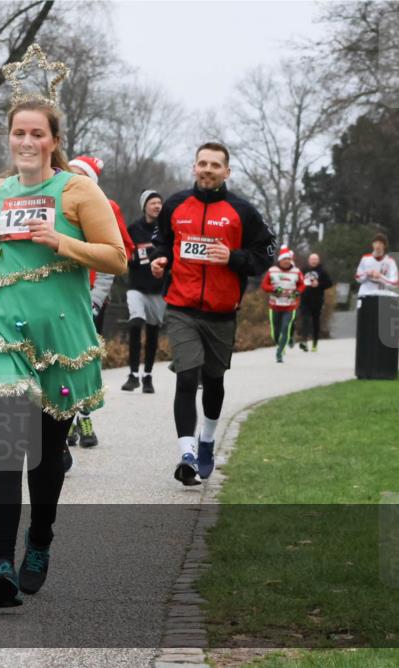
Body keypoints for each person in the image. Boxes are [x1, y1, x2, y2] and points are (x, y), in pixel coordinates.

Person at [0, 99, 127, 607]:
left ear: (54, 140)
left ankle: (41, 537)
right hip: (0, 329)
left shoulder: (78, 190)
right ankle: (3, 565)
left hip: (58, 337)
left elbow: (117, 258)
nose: (26, 142)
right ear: (8, 138)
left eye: (37, 134)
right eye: (18, 133)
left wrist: (61, 242)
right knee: (8, 445)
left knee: (45, 453)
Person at [150, 142, 275, 486]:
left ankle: (207, 439)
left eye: (215, 165)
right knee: (187, 376)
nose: (207, 169)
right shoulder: (175, 205)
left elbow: (266, 254)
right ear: (194, 167)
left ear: (226, 171)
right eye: (202, 163)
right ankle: (187, 454)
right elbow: (162, 243)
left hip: (221, 312)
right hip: (181, 307)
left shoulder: (242, 211)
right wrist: (161, 260)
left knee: (215, 381)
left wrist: (233, 258)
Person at [64, 155, 134, 452]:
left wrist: (97, 297)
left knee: (83, 358)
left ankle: (85, 415)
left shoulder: (107, 206)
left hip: (89, 295)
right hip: (56, 293)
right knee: (58, 359)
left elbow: (121, 251)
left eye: (80, 174)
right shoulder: (53, 198)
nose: (72, 177)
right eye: (70, 172)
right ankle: (65, 419)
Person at [122, 189, 166, 392]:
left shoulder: (166, 230)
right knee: (135, 323)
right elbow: (123, 254)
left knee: (153, 331)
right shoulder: (133, 229)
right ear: (144, 207)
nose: (157, 206)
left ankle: (147, 376)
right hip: (137, 287)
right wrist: (128, 259)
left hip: (158, 290)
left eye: (159, 202)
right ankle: (132, 375)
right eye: (152, 203)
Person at [261, 246, 305, 363]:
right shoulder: (272, 271)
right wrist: (274, 289)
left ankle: (279, 353)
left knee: (285, 328)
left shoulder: (296, 271)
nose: (287, 261)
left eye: (288, 259)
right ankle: (278, 342)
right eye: (284, 259)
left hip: (290, 306)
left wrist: (297, 292)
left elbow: (302, 284)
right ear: (280, 260)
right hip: (274, 305)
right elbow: (264, 286)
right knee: (275, 332)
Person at [297, 252, 333, 352]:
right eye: (312, 259)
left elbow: (329, 283)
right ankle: (304, 341)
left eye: (315, 259)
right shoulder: (303, 270)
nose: (313, 261)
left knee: (315, 321)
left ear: (318, 261)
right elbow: (297, 282)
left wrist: (319, 284)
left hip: (317, 300)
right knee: (305, 319)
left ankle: (315, 343)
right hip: (305, 299)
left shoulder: (322, 271)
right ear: (309, 260)